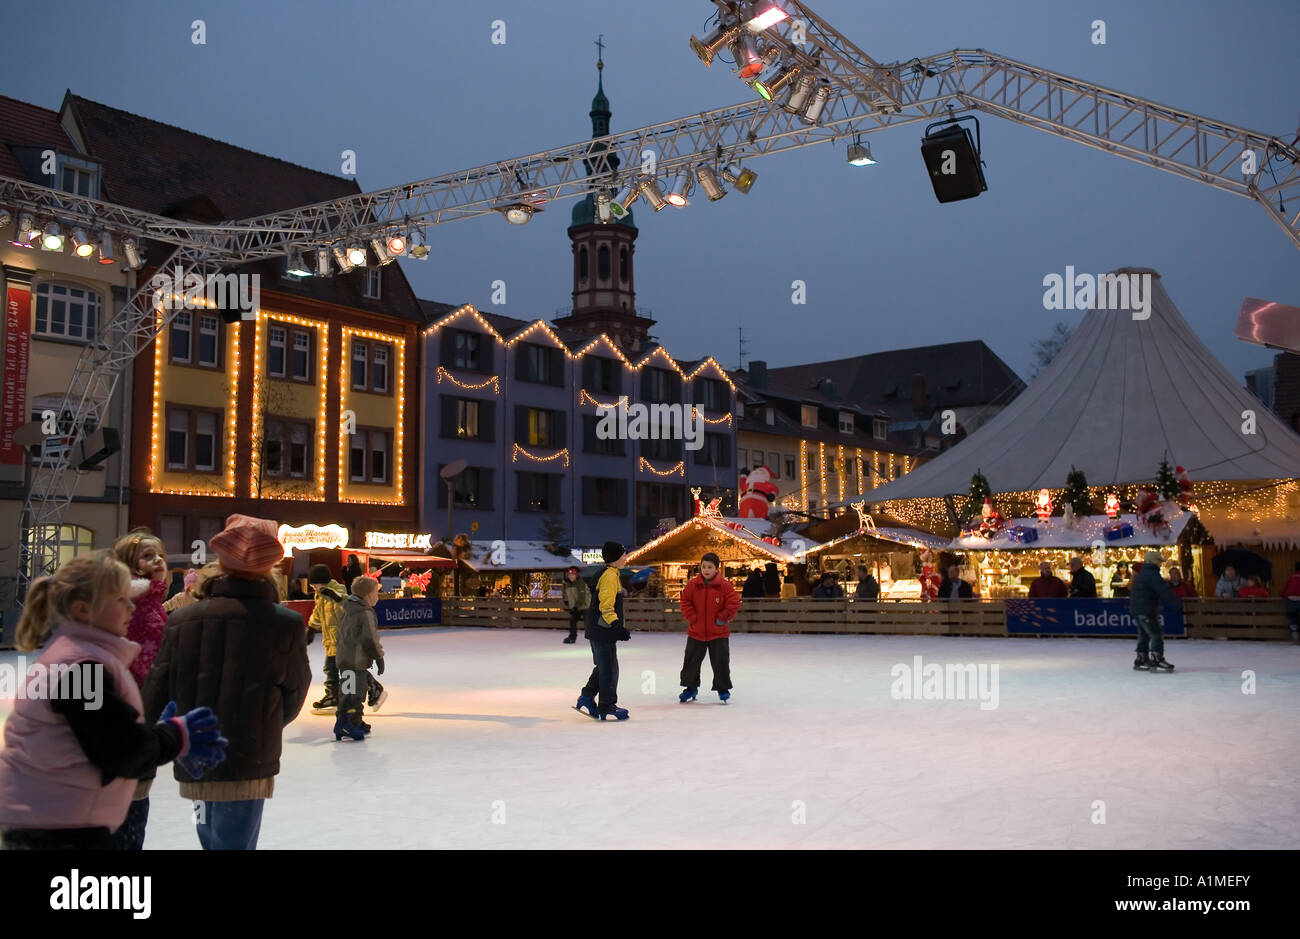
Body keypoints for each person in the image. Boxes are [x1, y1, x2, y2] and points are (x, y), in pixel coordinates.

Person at [0, 552, 226, 850]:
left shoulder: (71, 655)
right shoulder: (80, 668)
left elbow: (100, 732)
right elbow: (118, 748)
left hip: (48, 817)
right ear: (83, 610)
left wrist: (160, 733)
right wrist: (175, 736)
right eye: (121, 599)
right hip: (57, 827)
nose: (131, 607)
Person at [142, 514, 310, 850]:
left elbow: (155, 691)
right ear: (270, 566)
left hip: (194, 756)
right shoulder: (285, 623)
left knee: (208, 836)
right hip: (249, 758)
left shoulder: (181, 620)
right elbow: (294, 691)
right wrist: (265, 721)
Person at [110, 529, 171, 850]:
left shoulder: (149, 597)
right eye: (148, 555)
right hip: (131, 710)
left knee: (135, 797)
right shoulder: (134, 602)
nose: (157, 560)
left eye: (159, 554)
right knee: (130, 802)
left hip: (139, 707)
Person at [574, 541, 631, 721]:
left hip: (598, 628)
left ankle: (587, 696)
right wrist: (616, 626)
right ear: (615, 558)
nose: (626, 557)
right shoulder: (609, 576)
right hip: (603, 629)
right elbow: (606, 605)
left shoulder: (609, 573)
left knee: (603, 665)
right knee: (609, 669)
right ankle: (607, 706)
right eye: (623, 554)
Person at [678, 552, 742, 703]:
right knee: (691, 661)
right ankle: (690, 687)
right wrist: (692, 618)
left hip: (718, 633)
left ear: (716, 569)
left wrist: (722, 618)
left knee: (720, 661)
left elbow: (733, 603)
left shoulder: (724, 585)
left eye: (710, 567)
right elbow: (685, 601)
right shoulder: (693, 585)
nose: (706, 570)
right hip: (696, 632)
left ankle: (723, 688)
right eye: (703, 566)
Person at [335, 576, 385, 740]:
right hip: (355, 660)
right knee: (353, 693)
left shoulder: (348, 608)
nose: (377, 597)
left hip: (346, 657)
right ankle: (344, 724)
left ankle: (355, 721)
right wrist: (378, 657)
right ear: (367, 595)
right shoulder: (364, 612)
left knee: (353, 691)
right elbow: (370, 637)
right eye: (375, 594)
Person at [306, 564, 347, 713]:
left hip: (343, 639)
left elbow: (347, 607)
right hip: (330, 640)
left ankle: (371, 687)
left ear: (321, 582)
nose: (313, 588)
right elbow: (317, 613)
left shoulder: (337, 591)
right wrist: (311, 628)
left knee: (340, 669)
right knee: (333, 668)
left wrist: (336, 598)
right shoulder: (320, 596)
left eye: (314, 585)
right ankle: (333, 695)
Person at [1130, 550, 1178, 671]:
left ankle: (1141, 659)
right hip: (1146, 610)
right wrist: (1177, 604)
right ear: (1153, 562)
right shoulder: (1152, 574)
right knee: (1156, 633)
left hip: (1137, 610)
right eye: (1159, 561)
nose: (1160, 564)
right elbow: (1164, 591)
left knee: (1144, 634)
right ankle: (1157, 658)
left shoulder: (1143, 573)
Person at [561, 566, 591, 644]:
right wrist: (566, 602)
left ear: (576, 575)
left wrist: (575, 607)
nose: (571, 576)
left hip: (585, 606)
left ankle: (594, 638)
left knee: (588, 622)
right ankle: (572, 637)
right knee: (573, 621)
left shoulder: (581, 583)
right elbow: (567, 595)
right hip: (576, 607)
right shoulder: (568, 584)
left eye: (573, 575)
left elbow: (582, 597)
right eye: (570, 575)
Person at [1281, 562, 1300, 643]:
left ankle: (1294, 633)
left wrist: (1282, 594)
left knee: (1292, 618)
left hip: (1290, 600)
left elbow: (1284, 588)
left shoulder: (1291, 577)